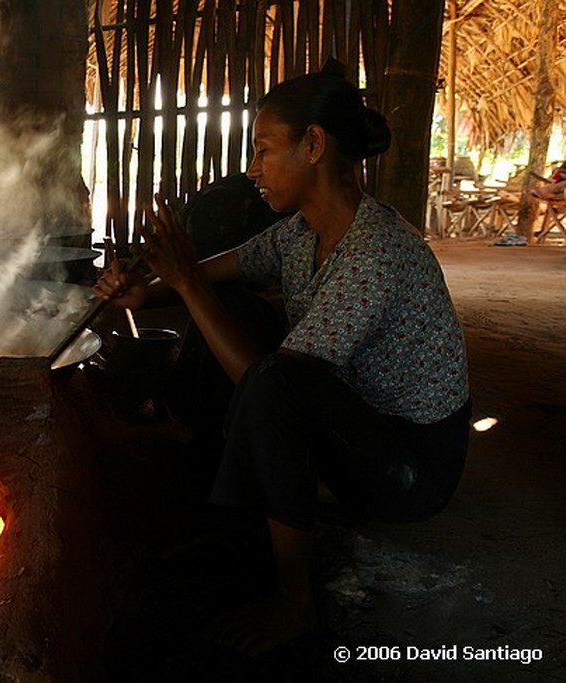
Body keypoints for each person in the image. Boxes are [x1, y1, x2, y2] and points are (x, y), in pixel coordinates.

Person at [93, 70, 472, 654]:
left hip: (410, 469)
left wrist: (188, 283)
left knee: (275, 375)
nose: (252, 169)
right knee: (237, 311)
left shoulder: (377, 251)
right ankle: (221, 514)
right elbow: (216, 272)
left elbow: (268, 386)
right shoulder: (298, 234)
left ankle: (296, 603)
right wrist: (150, 287)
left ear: (314, 145)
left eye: (263, 150)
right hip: (354, 432)